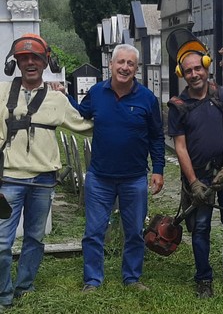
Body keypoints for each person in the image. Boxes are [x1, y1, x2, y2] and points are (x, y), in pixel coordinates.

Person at [0, 33, 93, 311]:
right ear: (15, 63)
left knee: (34, 238)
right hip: (9, 179)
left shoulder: (57, 100)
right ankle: (4, 294)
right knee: (2, 243)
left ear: (45, 62)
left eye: (35, 58)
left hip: (43, 181)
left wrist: (124, 119)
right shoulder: (2, 92)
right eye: (23, 58)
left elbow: (87, 125)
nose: (30, 62)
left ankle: (25, 287)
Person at [67, 44, 165, 292]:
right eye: (120, 62)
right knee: (93, 232)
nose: (124, 67)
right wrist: (62, 94)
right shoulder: (97, 93)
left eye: (130, 63)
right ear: (111, 65)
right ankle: (92, 280)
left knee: (133, 232)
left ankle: (131, 278)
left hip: (134, 178)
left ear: (136, 68)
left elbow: (156, 137)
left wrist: (158, 169)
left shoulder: (147, 99)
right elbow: (80, 113)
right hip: (100, 178)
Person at [166, 29, 223, 298]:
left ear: (205, 66)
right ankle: (204, 278)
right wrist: (193, 182)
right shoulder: (178, 106)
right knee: (200, 226)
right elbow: (180, 147)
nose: (194, 75)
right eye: (188, 71)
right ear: (182, 73)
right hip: (198, 176)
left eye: (197, 69)